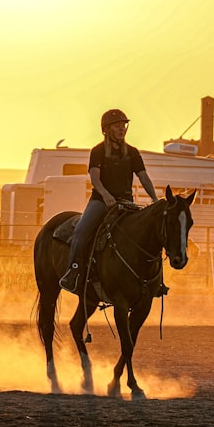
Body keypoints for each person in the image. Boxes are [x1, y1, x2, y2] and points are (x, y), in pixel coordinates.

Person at [59, 108, 160, 294]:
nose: (122, 129)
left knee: (148, 233)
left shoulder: (132, 153)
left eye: (123, 125)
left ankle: (154, 280)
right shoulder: (97, 152)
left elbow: (143, 177)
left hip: (126, 203)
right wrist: (105, 195)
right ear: (107, 130)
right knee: (81, 230)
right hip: (101, 202)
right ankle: (73, 272)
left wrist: (155, 198)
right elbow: (95, 178)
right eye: (117, 126)